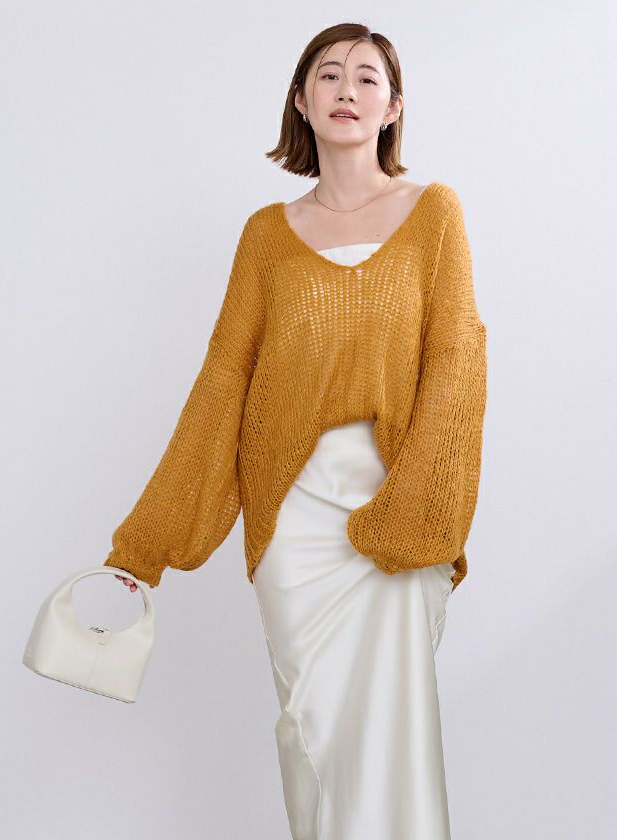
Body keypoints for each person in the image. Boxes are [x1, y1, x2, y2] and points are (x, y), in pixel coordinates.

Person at [108, 22, 487, 840]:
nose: (347, 90)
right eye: (328, 75)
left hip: (397, 502)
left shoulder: (434, 215)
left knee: (389, 734)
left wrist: (415, 505)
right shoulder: (266, 235)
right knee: (311, 731)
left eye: (367, 77)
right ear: (301, 101)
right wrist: (148, 543)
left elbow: (456, 364)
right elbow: (223, 383)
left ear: (393, 107)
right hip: (295, 521)